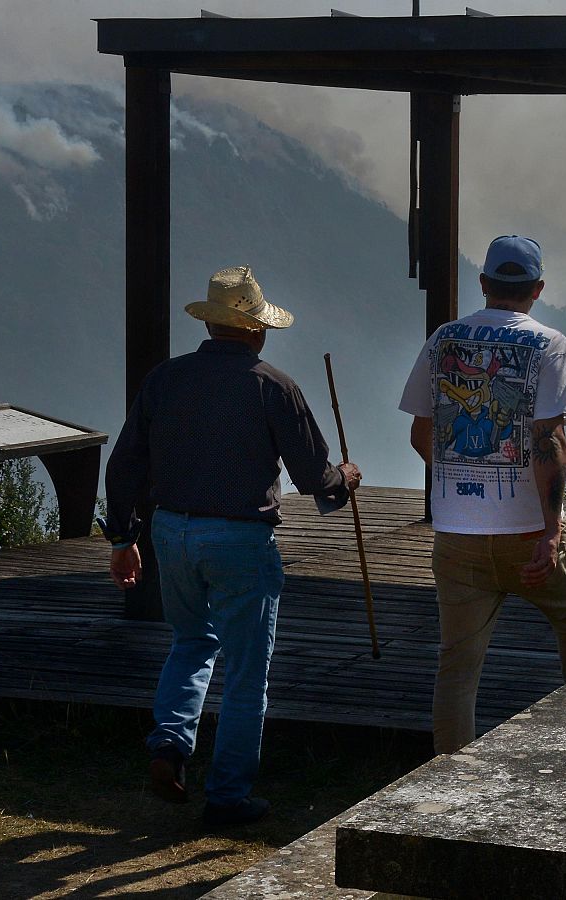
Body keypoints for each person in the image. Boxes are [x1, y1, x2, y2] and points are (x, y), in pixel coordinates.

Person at [103, 265, 362, 827]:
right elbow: (314, 479)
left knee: (191, 640)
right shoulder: (274, 386)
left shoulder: (164, 380)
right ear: (257, 329)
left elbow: (124, 465)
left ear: (214, 325)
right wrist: (346, 477)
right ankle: (227, 797)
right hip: (242, 538)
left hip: (170, 531)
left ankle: (170, 746)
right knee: (247, 671)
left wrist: (123, 538)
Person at [398, 235, 566, 754]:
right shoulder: (550, 345)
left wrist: (466, 483)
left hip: (458, 533)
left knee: (457, 668)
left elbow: (422, 434)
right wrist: (552, 530)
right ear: (537, 289)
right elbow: (548, 439)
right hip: (528, 530)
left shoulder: (445, 340)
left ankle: (446, 782)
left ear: (484, 283)